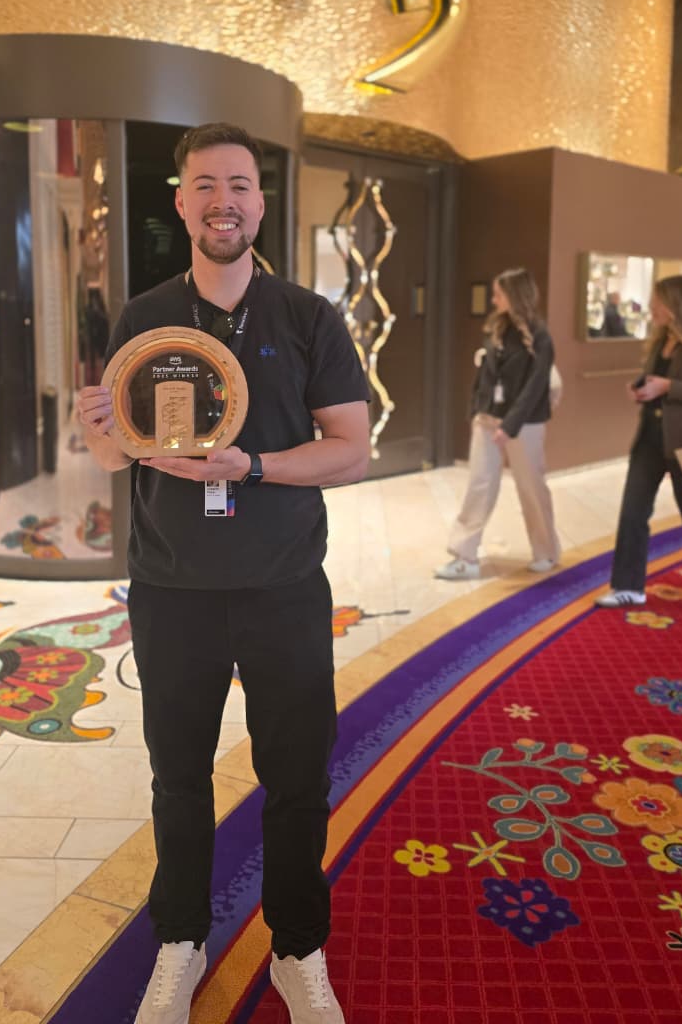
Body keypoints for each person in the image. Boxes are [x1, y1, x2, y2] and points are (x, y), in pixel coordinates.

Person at [77, 123, 370, 1024]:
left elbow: (351, 449)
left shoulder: (308, 316)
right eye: (205, 185)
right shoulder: (144, 319)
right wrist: (97, 429)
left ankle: (296, 948)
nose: (223, 202)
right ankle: (181, 940)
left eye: (238, 185)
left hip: (285, 585)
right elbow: (115, 457)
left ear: (260, 202)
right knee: (178, 777)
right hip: (172, 589)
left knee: (297, 777)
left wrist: (256, 466)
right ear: (181, 202)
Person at [435, 267, 560, 580]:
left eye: (499, 294)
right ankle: (464, 555)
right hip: (488, 418)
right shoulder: (496, 328)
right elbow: (486, 375)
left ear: (516, 295)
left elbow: (535, 387)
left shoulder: (540, 337)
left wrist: (510, 426)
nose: (493, 300)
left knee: (531, 487)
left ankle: (546, 551)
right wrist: (478, 409)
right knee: (479, 484)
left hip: (525, 423)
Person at [596, 275, 682, 607]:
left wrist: (669, 388)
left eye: (657, 301)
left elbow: (677, 386)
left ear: (675, 304)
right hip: (649, 438)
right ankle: (628, 586)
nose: (651, 307)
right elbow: (655, 377)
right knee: (633, 511)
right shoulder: (659, 341)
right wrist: (640, 387)